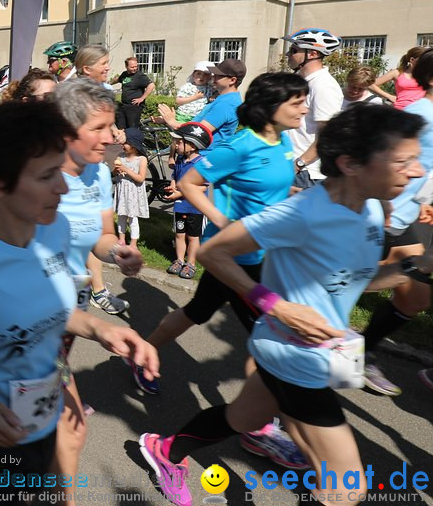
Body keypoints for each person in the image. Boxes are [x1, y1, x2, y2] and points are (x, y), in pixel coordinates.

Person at [135, 105, 427, 506]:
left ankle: (163, 451)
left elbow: (354, 281)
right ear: (351, 164)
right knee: (346, 489)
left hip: (319, 353)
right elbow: (214, 253)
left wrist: (412, 268)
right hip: (295, 356)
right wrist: (275, 306)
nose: (417, 172)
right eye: (403, 161)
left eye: (416, 160)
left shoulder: (373, 208)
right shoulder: (303, 213)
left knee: (244, 419)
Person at [0, 100, 157, 499]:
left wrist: (100, 328)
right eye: (46, 176)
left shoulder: (53, 227)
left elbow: (47, 309)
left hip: (41, 421)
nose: (62, 187)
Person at [135, 72, 309, 450]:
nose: (305, 108)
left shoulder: (280, 140)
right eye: (297, 102)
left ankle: (143, 354)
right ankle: (258, 424)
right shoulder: (240, 145)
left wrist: (302, 198)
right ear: (271, 107)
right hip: (238, 258)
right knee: (270, 335)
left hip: (265, 254)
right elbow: (189, 184)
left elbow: (273, 187)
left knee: (197, 311)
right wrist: (224, 222)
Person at [51, 79, 147, 494]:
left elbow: (101, 236)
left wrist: (119, 253)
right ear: (67, 130)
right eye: (102, 128)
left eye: (113, 127)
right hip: (31, 313)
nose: (113, 136)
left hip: (75, 300)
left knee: (35, 422)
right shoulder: (27, 173)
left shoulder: (98, 174)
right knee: (69, 428)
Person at [359, 48, 433, 396]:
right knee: (348, 283)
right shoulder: (420, 112)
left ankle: (359, 350)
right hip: (383, 212)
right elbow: (378, 155)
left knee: (415, 297)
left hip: (406, 216)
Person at [286, 28, 344, 184]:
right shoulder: (303, 81)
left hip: (306, 173)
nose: (288, 55)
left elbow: (327, 135)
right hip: (292, 166)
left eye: (294, 50)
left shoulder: (324, 86)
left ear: (312, 54)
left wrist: (299, 164)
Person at [163, 122, 212, 279]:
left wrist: (180, 193)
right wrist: (173, 188)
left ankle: (190, 263)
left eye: (179, 142)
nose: (176, 145)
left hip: (195, 207)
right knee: (179, 234)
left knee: (193, 237)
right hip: (180, 206)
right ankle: (179, 260)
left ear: (192, 145)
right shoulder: (179, 160)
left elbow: (204, 187)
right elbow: (174, 178)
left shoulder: (201, 163)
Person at [158, 59, 245, 144]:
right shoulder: (223, 98)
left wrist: (173, 122)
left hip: (206, 156)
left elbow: (197, 133)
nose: (213, 77)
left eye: (218, 75)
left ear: (232, 80)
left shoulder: (226, 104)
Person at [113, 131, 149, 251]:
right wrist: (116, 171)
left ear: (133, 145)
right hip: (122, 191)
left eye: (125, 143)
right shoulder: (120, 156)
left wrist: (126, 169)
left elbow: (141, 178)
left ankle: (133, 243)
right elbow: (113, 174)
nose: (122, 145)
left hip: (133, 193)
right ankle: (121, 239)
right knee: (121, 216)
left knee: (133, 218)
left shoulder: (141, 159)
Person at [112, 57, 155, 131]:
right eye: (132, 67)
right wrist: (108, 83)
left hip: (134, 107)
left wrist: (142, 98)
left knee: (132, 129)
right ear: (126, 66)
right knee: (121, 127)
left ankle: (132, 142)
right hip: (124, 105)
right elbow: (118, 79)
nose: (135, 68)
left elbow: (151, 85)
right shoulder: (124, 74)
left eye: (136, 66)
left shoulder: (140, 76)